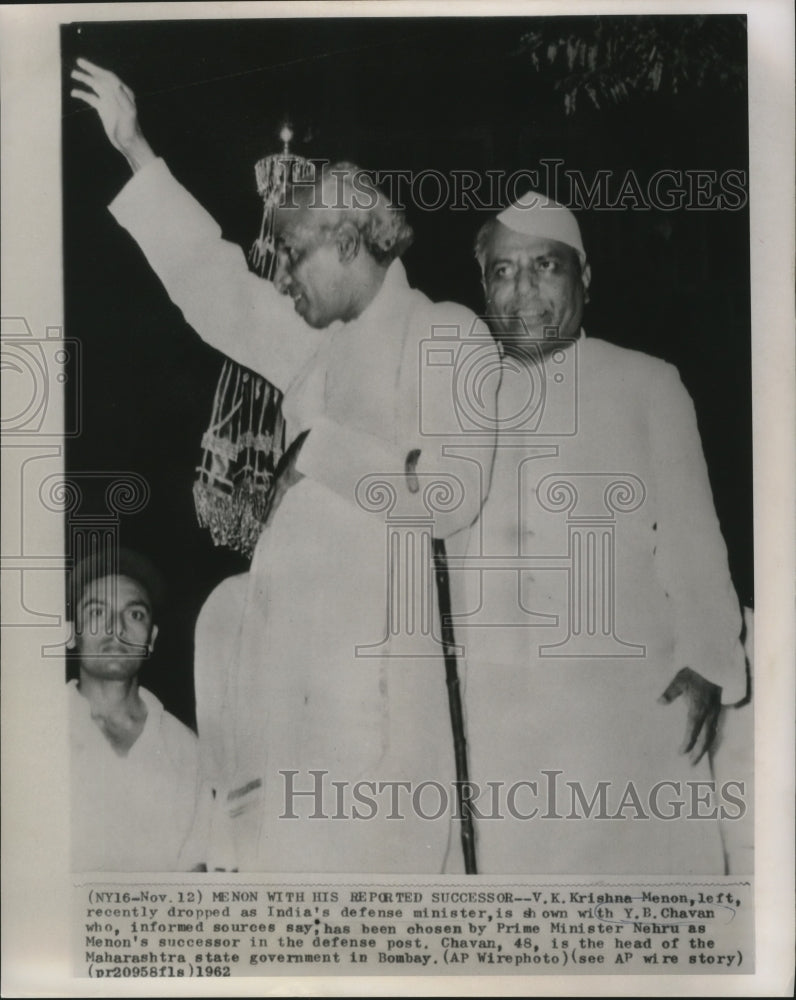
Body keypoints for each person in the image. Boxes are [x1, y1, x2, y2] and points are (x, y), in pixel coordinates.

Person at [71, 60, 498, 873]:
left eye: (296, 254)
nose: (285, 274)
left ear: (348, 242)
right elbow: (216, 287)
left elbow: (452, 495)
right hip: (288, 710)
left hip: (381, 722)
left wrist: (320, 448)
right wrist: (135, 151)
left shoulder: (446, 334)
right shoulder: (316, 347)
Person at [451, 191, 750, 874]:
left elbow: (695, 546)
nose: (522, 290)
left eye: (544, 266)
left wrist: (707, 662)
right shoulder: (457, 400)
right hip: (498, 718)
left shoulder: (647, 384)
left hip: (625, 714)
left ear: (585, 278)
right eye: (502, 271)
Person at [68, 548, 207, 871]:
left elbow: (197, 874)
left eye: (134, 615)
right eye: (97, 613)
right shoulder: (30, 734)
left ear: (152, 638)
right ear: (71, 633)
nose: (116, 630)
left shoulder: (186, 748)